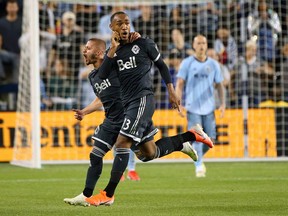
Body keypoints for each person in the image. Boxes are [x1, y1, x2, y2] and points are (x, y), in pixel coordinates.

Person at [85, 11, 214, 206]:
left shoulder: (144, 43)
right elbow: (102, 75)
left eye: (127, 22)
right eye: (119, 24)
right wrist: (112, 47)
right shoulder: (114, 52)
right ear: (112, 28)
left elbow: (161, 66)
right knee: (148, 153)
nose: (124, 26)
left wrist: (171, 90)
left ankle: (108, 194)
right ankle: (189, 137)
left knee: (121, 144)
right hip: (129, 105)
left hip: (143, 99)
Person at [63, 36, 142, 207]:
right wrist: (84, 111)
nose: (84, 51)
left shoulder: (115, 65)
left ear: (99, 53)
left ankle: (183, 142)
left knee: (149, 153)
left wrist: (129, 42)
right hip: (111, 120)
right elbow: (100, 99)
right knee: (95, 155)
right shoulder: (93, 76)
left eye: (87, 47)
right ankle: (86, 195)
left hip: (129, 116)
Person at [175, 34, 225, 178]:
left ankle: (196, 156)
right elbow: (179, 84)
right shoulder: (187, 63)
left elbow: (220, 86)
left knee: (211, 140)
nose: (201, 46)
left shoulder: (214, 64)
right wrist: (179, 104)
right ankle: (199, 166)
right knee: (198, 136)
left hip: (209, 107)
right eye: (199, 43)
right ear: (193, 45)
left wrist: (222, 104)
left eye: (204, 43)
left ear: (207, 45)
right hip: (192, 107)